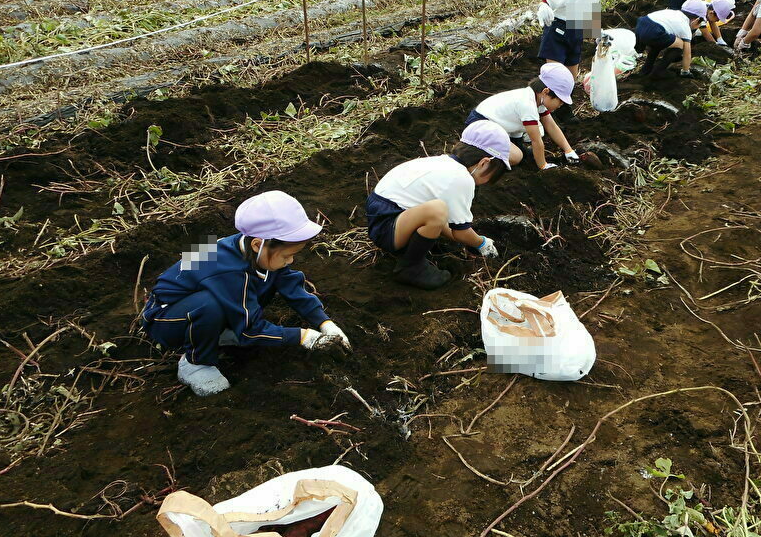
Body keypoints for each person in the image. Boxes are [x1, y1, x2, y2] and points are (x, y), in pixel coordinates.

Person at [141, 191, 351, 397]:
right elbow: (250, 331)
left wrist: (324, 323)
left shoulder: (252, 249)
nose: (291, 261)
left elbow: (290, 285)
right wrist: (304, 336)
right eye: (287, 255)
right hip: (166, 318)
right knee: (208, 305)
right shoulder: (228, 270)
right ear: (258, 244)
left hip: (207, 297)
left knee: (270, 276)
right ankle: (196, 363)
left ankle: (220, 329)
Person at [365, 120, 511, 290]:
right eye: (491, 176)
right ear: (484, 163)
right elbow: (461, 231)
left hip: (383, 215)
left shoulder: (442, 163)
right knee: (438, 210)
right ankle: (410, 267)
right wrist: (481, 243)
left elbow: (447, 226)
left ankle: (414, 250)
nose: (486, 182)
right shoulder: (461, 179)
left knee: (438, 210)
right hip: (387, 226)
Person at [465, 63, 579, 170]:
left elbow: (551, 126)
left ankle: (493, 149)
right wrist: (543, 165)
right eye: (560, 101)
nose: (560, 105)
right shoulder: (527, 104)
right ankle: (478, 152)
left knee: (525, 155)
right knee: (516, 156)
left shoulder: (537, 100)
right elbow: (536, 140)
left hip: (499, 129)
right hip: (481, 126)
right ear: (545, 91)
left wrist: (568, 150)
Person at [633, 0, 707, 79]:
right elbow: (687, 54)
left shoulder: (673, 13)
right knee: (680, 44)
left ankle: (646, 69)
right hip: (654, 31)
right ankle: (659, 70)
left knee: (659, 44)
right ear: (697, 20)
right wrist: (685, 71)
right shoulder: (685, 27)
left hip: (641, 25)